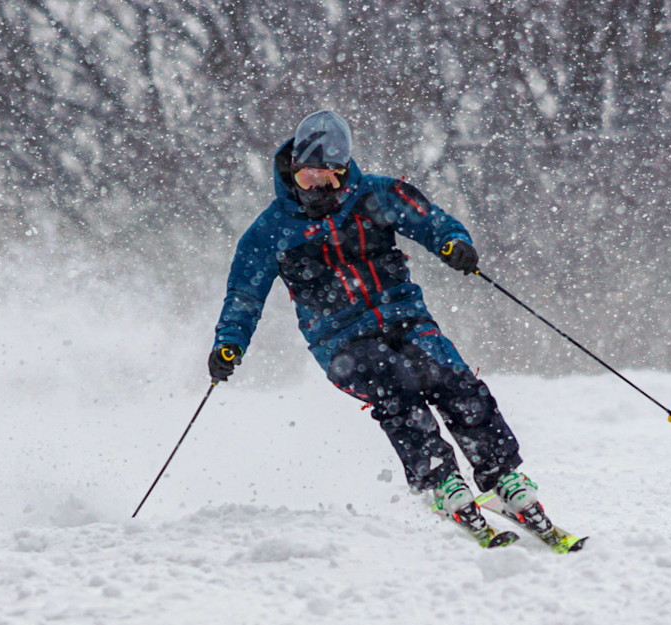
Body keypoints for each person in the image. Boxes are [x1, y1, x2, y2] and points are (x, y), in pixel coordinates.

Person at [209, 110, 581, 552]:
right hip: (340, 340)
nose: (319, 191)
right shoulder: (270, 230)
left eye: (329, 180)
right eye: (309, 179)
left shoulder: (376, 195)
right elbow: (244, 296)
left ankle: (503, 477)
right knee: (395, 386)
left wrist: (453, 244)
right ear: (292, 171)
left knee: (453, 379)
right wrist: (228, 344)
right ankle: (442, 482)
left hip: (405, 317)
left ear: (345, 173)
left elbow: (431, 220)